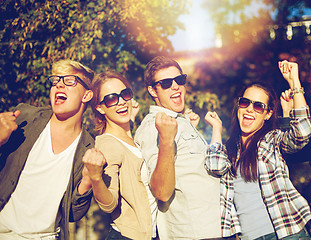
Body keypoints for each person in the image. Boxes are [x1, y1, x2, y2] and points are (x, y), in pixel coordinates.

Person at [204, 60, 311, 239]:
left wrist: (294, 83)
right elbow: (214, 166)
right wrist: (216, 128)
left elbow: (302, 132)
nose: (250, 110)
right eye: (245, 102)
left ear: (268, 114)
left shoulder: (271, 140)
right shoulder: (230, 150)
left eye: (259, 106)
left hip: (286, 234)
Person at [0, 59, 95, 240]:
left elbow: (73, 214)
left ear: (87, 95)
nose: (59, 84)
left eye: (69, 80)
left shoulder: (88, 149)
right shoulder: (24, 118)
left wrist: (88, 181)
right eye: (55, 81)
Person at [134, 56, 221, 239]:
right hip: (193, 233)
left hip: (214, 228)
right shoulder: (153, 127)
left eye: (179, 80)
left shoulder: (180, 120)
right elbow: (161, 191)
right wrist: (166, 140)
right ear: (152, 91)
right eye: (166, 83)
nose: (175, 86)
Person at [78, 70, 158, 240]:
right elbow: (109, 204)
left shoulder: (131, 139)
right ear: (100, 107)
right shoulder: (107, 144)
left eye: (125, 94)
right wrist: (96, 178)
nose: (121, 102)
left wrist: (132, 121)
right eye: (111, 99)